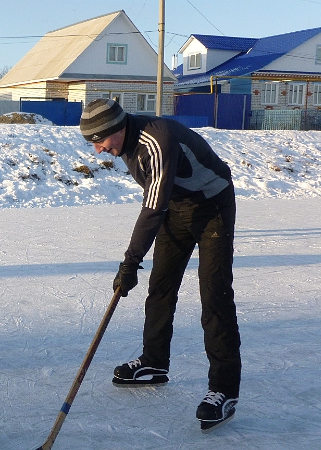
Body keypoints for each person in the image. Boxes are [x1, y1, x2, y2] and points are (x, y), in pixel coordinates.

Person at [79, 99, 241, 428]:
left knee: (215, 297)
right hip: (178, 207)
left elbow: (152, 208)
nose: (98, 151)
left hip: (213, 207)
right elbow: (158, 199)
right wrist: (133, 264)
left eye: (99, 142)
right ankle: (154, 362)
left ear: (115, 130)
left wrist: (129, 262)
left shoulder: (156, 141)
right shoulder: (125, 143)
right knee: (161, 288)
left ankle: (224, 390)